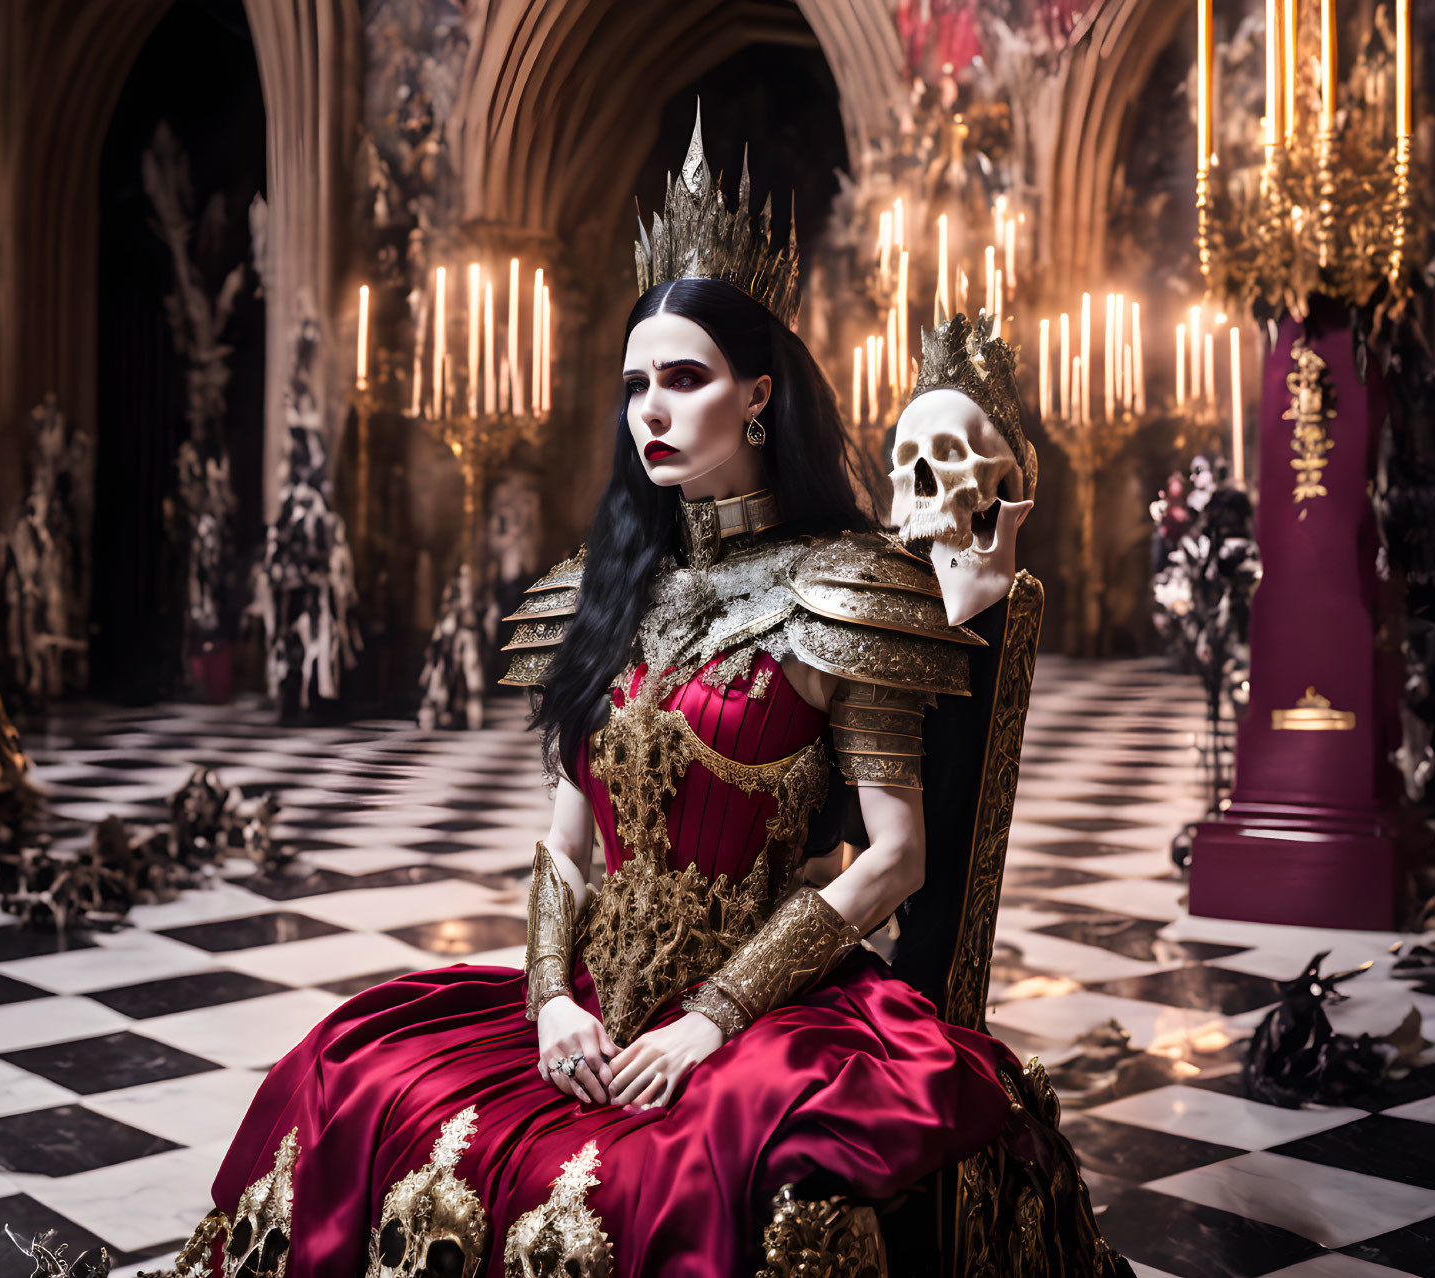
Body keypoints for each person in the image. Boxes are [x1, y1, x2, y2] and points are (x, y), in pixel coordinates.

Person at [182, 115, 1031, 1278]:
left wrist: (711, 1017)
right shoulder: (596, 591)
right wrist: (547, 1005)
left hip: (759, 1006)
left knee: (753, 1193)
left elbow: (892, 859)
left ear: (758, 397)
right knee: (345, 1067)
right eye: (635, 383)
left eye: (684, 379)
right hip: (588, 1004)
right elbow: (567, 844)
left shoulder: (842, 592)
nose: (651, 410)